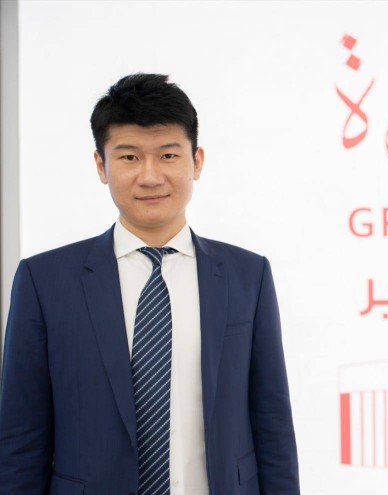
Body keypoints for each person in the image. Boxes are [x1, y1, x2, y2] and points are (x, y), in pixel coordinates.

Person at [0, 73, 300, 494]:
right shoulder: (45, 281)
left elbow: (272, 424)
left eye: (168, 155)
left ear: (196, 161)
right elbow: (21, 436)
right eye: (129, 157)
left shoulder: (247, 275)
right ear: (101, 166)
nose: (150, 176)